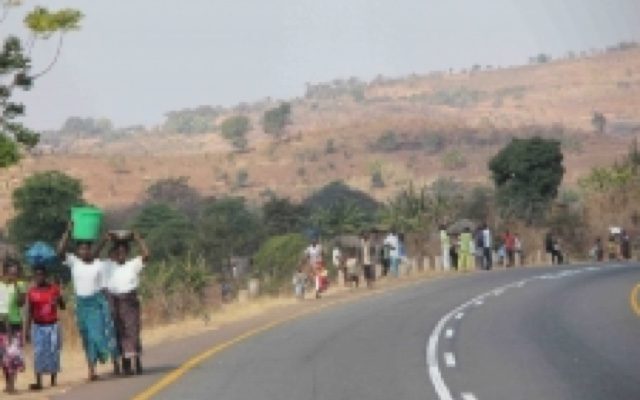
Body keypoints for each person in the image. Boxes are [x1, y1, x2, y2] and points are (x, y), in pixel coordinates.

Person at [58, 224, 117, 381]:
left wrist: (104, 241)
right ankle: (91, 369)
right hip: (81, 304)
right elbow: (60, 252)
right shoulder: (74, 262)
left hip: (96, 303)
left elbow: (104, 286)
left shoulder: (99, 265)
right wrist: (68, 232)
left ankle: (110, 358)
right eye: (82, 249)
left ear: (91, 250)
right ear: (78, 251)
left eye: (87, 249)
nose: (85, 252)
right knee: (86, 337)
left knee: (97, 335)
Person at [102, 232, 150, 376]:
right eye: (118, 251)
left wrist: (137, 238)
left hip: (130, 302)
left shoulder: (133, 264)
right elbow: (93, 257)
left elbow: (147, 255)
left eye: (124, 251)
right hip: (114, 302)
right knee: (119, 332)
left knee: (133, 331)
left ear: (128, 252)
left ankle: (136, 359)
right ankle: (126, 364)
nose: (121, 254)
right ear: (115, 253)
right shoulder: (108, 265)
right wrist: (105, 241)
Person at [26, 265, 65, 391]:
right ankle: (38, 382)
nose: (39, 277)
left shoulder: (54, 289)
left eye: (41, 275)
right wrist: (26, 329)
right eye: (37, 275)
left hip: (52, 325)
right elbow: (29, 311)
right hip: (38, 326)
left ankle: (53, 380)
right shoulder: (32, 292)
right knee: (38, 353)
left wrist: (60, 299)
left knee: (54, 351)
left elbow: (63, 306)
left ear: (45, 276)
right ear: (34, 277)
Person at [1, 259, 26, 394]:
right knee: (3, 358)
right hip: (1, 324)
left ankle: (12, 385)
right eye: (11, 272)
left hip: (15, 323)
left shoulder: (21, 285)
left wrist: (16, 286)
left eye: (16, 272)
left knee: (13, 355)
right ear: (5, 272)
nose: (13, 275)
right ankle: (7, 384)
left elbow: (22, 303)